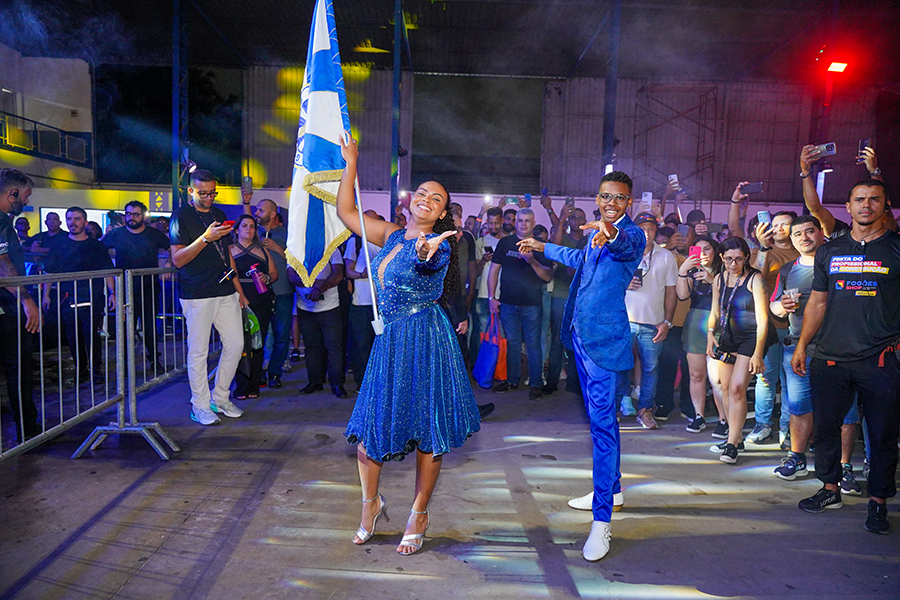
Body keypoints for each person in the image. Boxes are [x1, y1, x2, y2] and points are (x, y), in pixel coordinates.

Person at [337, 135, 480, 556]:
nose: (426, 200)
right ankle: (370, 505)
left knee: (428, 432)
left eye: (436, 199)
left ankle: (418, 513)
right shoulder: (391, 235)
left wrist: (426, 250)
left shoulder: (440, 246)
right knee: (371, 430)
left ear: (443, 213)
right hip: (391, 343)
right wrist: (352, 162)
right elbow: (346, 211)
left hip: (427, 340)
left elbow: (427, 260)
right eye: (422, 193)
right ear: (409, 200)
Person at [519, 170, 645, 561]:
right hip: (581, 337)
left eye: (620, 198)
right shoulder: (594, 233)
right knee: (598, 421)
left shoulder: (632, 234)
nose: (612, 203)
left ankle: (602, 521)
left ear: (629, 202)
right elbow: (578, 257)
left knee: (603, 428)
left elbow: (623, 245)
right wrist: (541, 246)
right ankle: (614, 488)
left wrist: (611, 232)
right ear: (598, 196)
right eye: (606, 196)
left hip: (606, 346)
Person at [791, 179, 899, 535]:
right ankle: (829, 488)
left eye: (874, 199)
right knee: (825, 429)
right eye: (859, 200)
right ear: (848, 207)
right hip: (830, 357)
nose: (866, 205)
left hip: (881, 359)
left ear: (885, 205)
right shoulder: (830, 251)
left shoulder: (897, 249)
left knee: (882, 434)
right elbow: (818, 302)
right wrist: (804, 344)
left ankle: (879, 502)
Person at [770, 216, 862, 484]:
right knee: (799, 408)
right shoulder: (788, 270)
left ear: (822, 233)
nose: (804, 237)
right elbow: (773, 307)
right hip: (798, 350)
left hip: (840, 350)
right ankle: (797, 458)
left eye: (809, 231)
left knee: (846, 411)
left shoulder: (841, 265)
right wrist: (782, 306)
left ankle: (844, 468)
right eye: (797, 234)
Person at [169, 169, 248, 426]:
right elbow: (178, 259)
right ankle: (199, 405)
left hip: (225, 289)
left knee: (236, 344)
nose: (209, 197)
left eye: (213, 192)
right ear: (190, 191)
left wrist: (239, 290)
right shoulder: (181, 216)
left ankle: (220, 397)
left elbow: (227, 255)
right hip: (197, 292)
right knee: (199, 351)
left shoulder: (219, 214)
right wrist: (204, 238)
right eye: (203, 193)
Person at [706, 237, 772, 464]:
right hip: (726, 336)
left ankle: (733, 443)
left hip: (750, 338)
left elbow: (763, 319)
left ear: (746, 258)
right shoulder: (718, 279)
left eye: (739, 259)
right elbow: (714, 311)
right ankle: (735, 435)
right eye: (729, 259)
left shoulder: (755, 279)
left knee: (736, 388)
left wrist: (758, 352)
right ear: (722, 258)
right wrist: (709, 334)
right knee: (724, 388)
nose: (734, 264)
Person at [617, 212, 677, 429]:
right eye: (642, 228)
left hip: (653, 324)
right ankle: (615, 408)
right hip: (624, 322)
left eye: (651, 228)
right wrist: (624, 283)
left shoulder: (666, 256)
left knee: (651, 369)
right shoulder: (624, 253)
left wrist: (667, 322)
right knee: (619, 366)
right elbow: (607, 284)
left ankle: (645, 410)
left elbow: (671, 292)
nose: (647, 233)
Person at [42, 206, 116, 383]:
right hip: (68, 296)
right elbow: (50, 272)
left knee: (92, 333)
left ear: (85, 221)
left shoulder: (96, 246)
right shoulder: (58, 245)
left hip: (93, 296)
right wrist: (46, 295)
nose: (72, 223)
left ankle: (96, 369)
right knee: (73, 335)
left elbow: (106, 270)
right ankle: (81, 369)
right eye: (69, 219)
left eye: (76, 219)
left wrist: (113, 293)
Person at [488, 208, 554, 399]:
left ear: (533, 224)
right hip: (507, 302)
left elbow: (547, 277)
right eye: (520, 221)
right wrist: (492, 298)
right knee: (513, 343)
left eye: (527, 221)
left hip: (532, 304)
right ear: (515, 223)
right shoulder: (505, 243)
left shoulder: (541, 246)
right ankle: (511, 380)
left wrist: (532, 261)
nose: (523, 224)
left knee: (533, 344)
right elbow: (493, 271)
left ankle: (535, 384)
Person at [101, 200, 171, 372]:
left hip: (149, 287)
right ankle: (124, 365)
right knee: (125, 329)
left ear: (143, 217)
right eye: (128, 214)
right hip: (124, 288)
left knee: (149, 327)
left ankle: (155, 360)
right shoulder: (116, 234)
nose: (131, 217)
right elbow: (99, 249)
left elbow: (172, 249)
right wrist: (104, 235)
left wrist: (168, 265)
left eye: (135, 214)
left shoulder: (154, 234)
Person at [0, 168, 41, 443]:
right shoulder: (1, 222)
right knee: (18, 367)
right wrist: (26, 300)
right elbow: (2, 262)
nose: (26, 202)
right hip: (6, 306)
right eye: (25, 196)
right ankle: (27, 430)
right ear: (12, 193)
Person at [676, 236, 725, 434]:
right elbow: (682, 296)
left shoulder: (724, 271)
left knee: (718, 378)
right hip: (696, 321)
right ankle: (699, 416)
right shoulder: (691, 272)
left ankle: (724, 419)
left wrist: (711, 280)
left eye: (707, 249)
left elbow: (730, 297)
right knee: (696, 374)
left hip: (719, 324)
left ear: (715, 252)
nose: (702, 254)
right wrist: (682, 271)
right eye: (697, 250)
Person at [242, 195, 293, 388]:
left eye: (260, 210)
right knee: (259, 334)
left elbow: (297, 260)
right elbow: (244, 223)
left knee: (281, 334)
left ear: (273, 214)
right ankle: (258, 372)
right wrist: (246, 203)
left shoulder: (287, 234)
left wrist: (277, 248)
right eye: (256, 210)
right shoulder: (254, 233)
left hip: (283, 291)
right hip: (258, 293)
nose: (256, 213)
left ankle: (274, 372)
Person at [229, 214, 277, 399]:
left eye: (252, 226)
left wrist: (267, 277)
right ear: (237, 229)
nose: (249, 229)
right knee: (239, 343)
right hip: (237, 301)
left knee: (258, 342)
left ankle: (254, 385)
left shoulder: (263, 251)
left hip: (261, 300)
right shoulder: (230, 250)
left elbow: (274, 273)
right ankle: (241, 386)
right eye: (245, 226)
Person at [289, 249, 347, 398]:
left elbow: (338, 274)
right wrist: (317, 284)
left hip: (330, 307)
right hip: (305, 307)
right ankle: (315, 381)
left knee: (334, 347)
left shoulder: (331, 248)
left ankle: (337, 383)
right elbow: (291, 276)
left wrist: (320, 288)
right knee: (311, 347)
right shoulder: (295, 248)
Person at [545, 202, 586, 395]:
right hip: (561, 295)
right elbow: (554, 248)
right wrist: (560, 220)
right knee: (557, 341)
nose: (576, 221)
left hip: (582, 299)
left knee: (579, 340)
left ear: (585, 221)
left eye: (580, 218)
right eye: (573, 217)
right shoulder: (565, 239)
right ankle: (551, 382)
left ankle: (575, 382)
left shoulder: (589, 240)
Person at [469, 206, 504, 364]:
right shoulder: (481, 242)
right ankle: (483, 368)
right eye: (490, 223)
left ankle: (499, 370)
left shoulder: (508, 241)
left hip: (504, 294)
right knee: (483, 334)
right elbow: (475, 271)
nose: (493, 226)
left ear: (501, 222)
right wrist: (484, 260)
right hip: (483, 293)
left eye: (496, 223)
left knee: (502, 335)